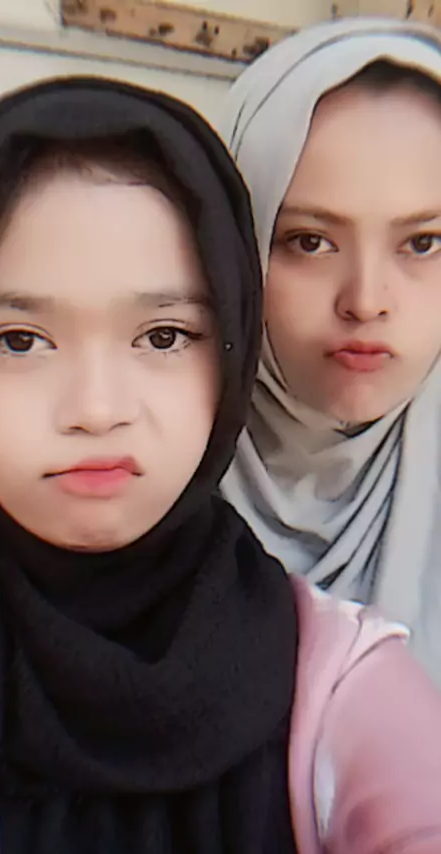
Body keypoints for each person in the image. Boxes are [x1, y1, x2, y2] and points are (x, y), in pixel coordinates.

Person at [0, 76, 439, 854]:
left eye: (163, 336)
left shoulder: (335, 679)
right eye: (19, 340)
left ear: (232, 346)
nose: (97, 409)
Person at [220, 17, 441, 687]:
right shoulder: (116, 476)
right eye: (310, 242)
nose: (366, 301)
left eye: (423, 244)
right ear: (232, 247)